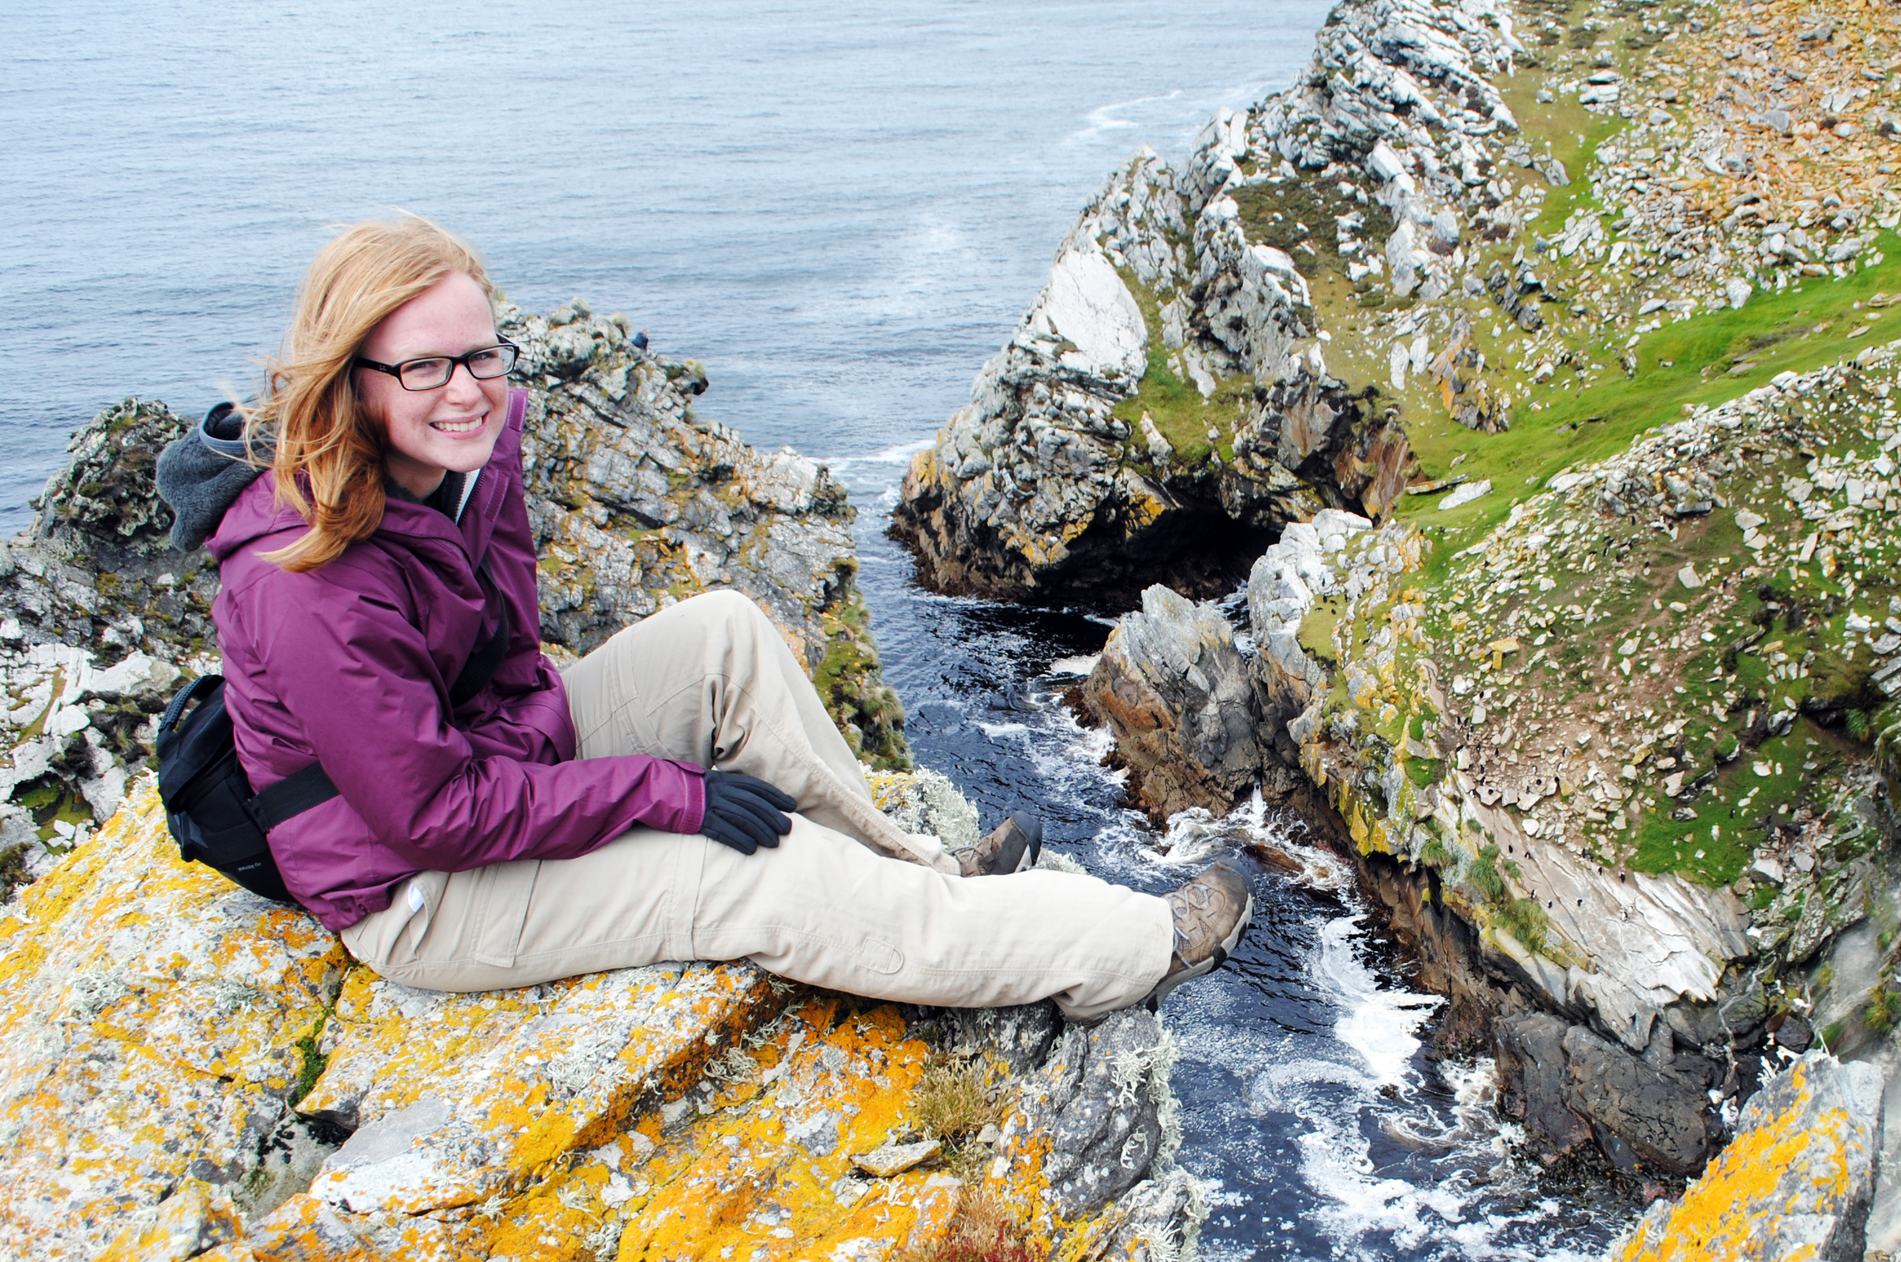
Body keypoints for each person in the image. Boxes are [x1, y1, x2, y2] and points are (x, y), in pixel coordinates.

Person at [153, 216, 1248, 1019]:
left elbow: (503, 648)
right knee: (753, 873)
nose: (466, 389)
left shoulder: (465, 455)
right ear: (353, 381)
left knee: (722, 631)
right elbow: (430, 815)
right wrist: (664, 795)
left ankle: (909, 870)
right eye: (423, 365)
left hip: (495, 757)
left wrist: (589, 760)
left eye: (481, 355)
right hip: (420, 888)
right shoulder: (303, 577)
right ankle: (1128, 947)